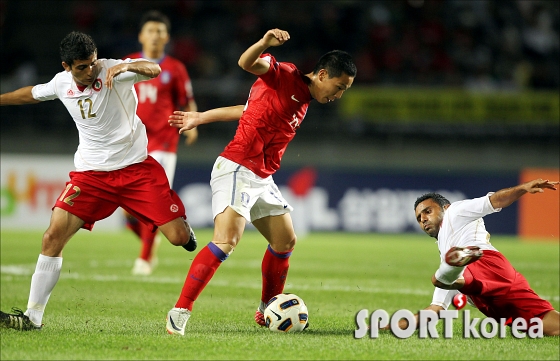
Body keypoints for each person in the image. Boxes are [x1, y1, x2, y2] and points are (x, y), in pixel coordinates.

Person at [163, 28, 357, 335]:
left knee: (285, 241)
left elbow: (248, 110)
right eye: (339, 86)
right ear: (322, 74)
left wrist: (200, 117)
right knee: (226, 240)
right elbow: (247, 63)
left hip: (262, 176)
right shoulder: (286, 76)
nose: (339, 95)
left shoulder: (303, 100)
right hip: (239, 166)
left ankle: (267, 307)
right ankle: (180, 311)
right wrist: (265, 43)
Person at [0, 31, 197, 331]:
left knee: (179, 239)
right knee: (52, 237)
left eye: (92, 64)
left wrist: (124, 67)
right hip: (91, 176)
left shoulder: (112, 70)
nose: (90, 71)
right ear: (67, 66)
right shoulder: (60, 83)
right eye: (82, 67)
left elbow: (153, 68)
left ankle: (181, 222)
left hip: (136, 170)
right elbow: (30, 93)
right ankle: (32, 317)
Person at [387, 178, 559, 336]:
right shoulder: (445, 245)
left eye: (428, 211)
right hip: (491, 296)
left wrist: (522, 188)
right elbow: (435, 310)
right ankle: (454, 271)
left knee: (440, 279)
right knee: (552, 327)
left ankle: (457, 267)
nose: (423, 219)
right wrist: (390, 327)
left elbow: (494, 201)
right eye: (419, 218)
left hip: (485, 264)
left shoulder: (455, 211)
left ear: (444, 208)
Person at [124, 10, 198, 276]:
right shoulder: (128, 63)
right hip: (131, 143)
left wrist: (192, 123)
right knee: (128, 210)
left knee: (153, 200)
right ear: (141, 36)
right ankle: (152, 238)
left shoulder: (175, 68)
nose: (155, 35)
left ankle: (145, 257)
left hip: (163, 141)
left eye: (160, 31)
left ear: (167, 37)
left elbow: (187, 99)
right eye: (150, 30)